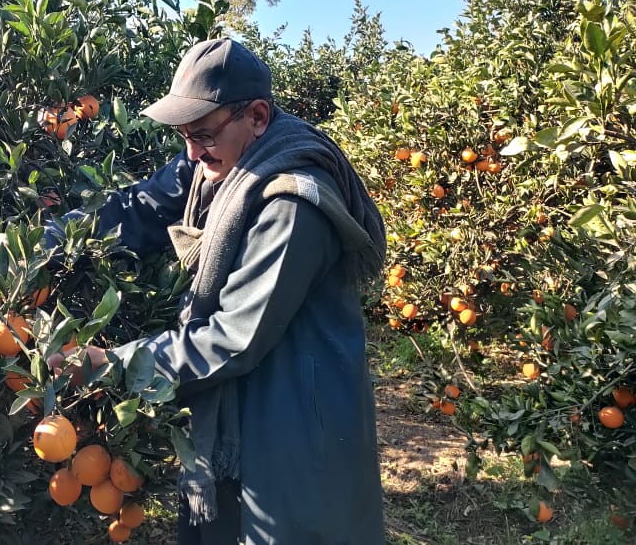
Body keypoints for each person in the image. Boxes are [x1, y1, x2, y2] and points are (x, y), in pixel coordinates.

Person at [46, 37, 387, 544]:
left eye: (202, 134)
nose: (191, 151)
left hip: (294, 428)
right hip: (231, 416)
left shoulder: (293, 205)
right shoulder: (216, 162)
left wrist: (110, 364)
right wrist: (44, 246)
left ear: (257, 116)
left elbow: (232, 337)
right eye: (184, 135)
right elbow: (137, 207)